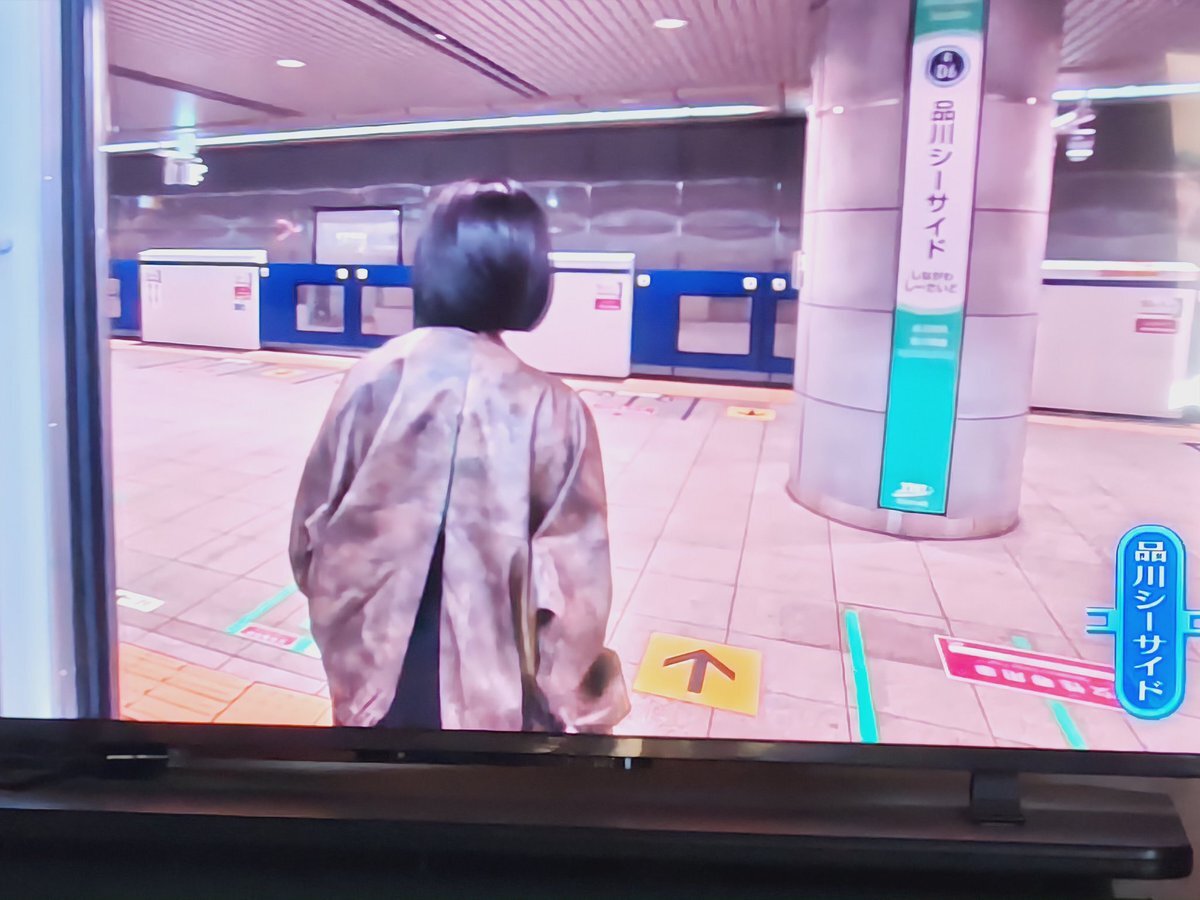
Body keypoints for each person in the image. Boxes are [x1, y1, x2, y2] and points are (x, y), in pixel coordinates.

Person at [289, 180, 630, 734]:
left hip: (373, 691)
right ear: (527, 275)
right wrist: (578, 713)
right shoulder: (554, 410)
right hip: (499, 707)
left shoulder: (370, 380)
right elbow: (575, 597)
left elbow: (309, 539)